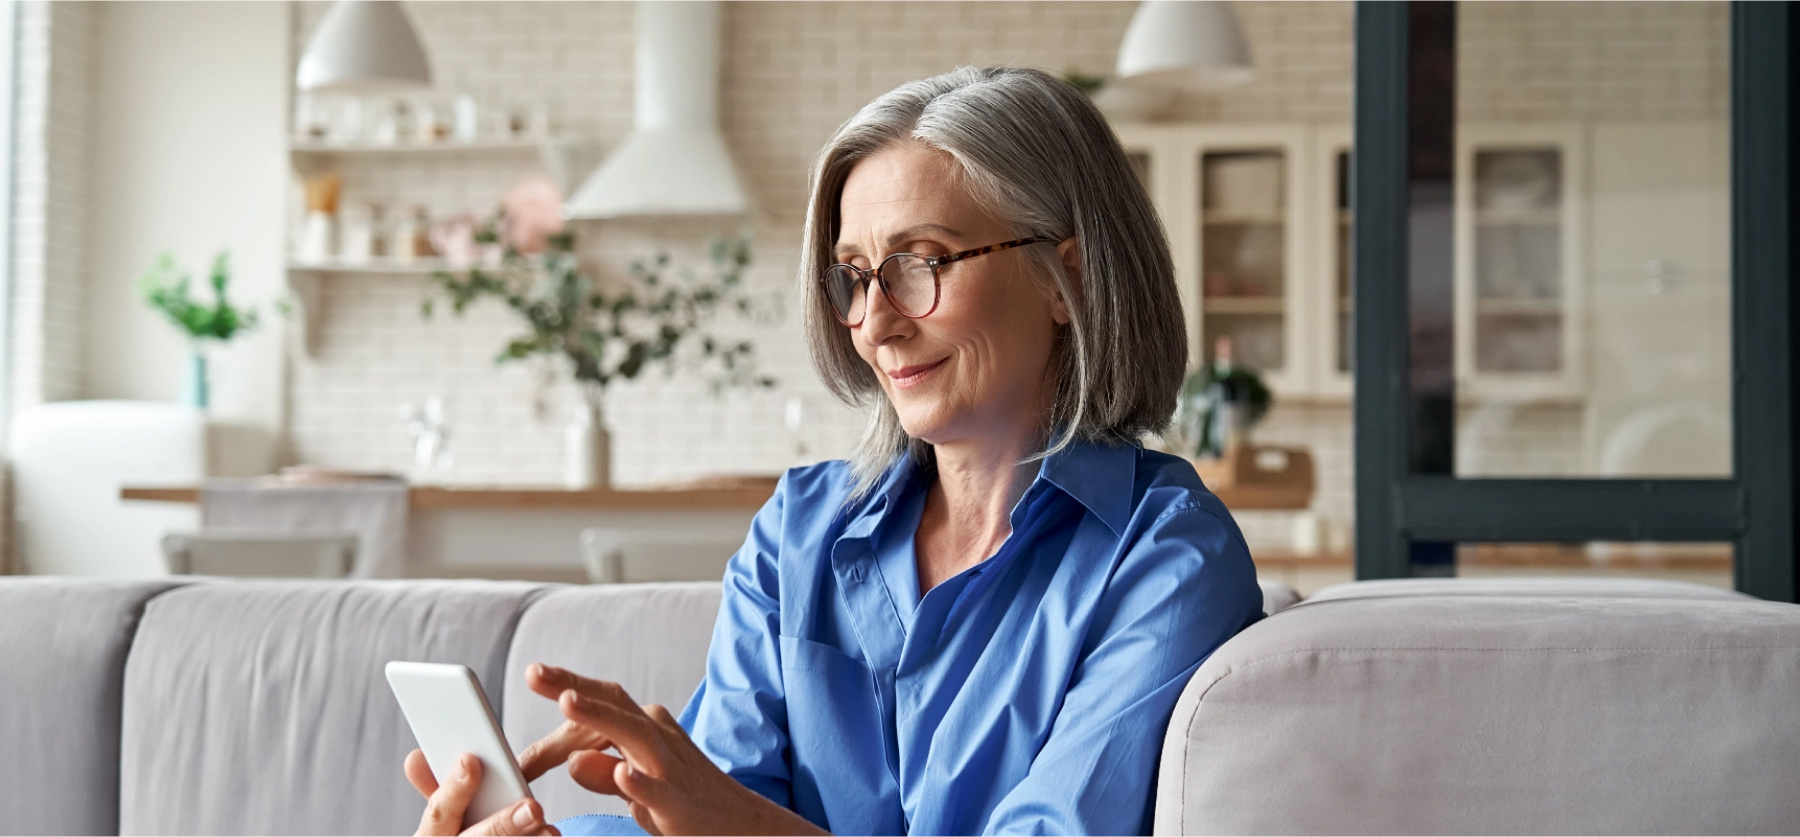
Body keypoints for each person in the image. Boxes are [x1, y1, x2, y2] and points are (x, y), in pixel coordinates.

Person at [405, 65, 1263, 837]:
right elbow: (712, 813)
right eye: (854, 275)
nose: (876, 321)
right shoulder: (799, 529)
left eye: (920, 262)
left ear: (1065, 279)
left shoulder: (1169, 556)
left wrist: (734, 824)